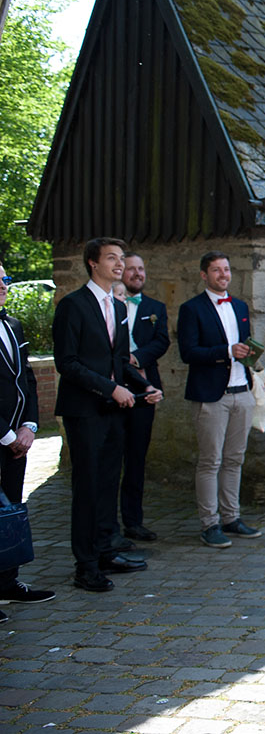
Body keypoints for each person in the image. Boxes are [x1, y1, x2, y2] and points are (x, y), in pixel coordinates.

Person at [54, 238, 159, 590]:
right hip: (84, 410)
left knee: (107, 483)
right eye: (111, 258)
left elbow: (118, 361)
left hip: (114, 409)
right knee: (87, 486)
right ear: (91, 263)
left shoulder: (117, 307)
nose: (119, 264)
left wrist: (142, 386)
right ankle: (85, 565)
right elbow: (67, 363)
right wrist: (109, 388)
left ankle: (104, 550)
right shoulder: (73, 305)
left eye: (121, 258)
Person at [177, 251, 262, 547]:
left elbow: (245, 344)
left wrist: (251, 355)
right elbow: (188, 353)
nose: (223, 275)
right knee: (210, 460)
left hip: (242, 391)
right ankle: (209, 523)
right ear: (204, 275)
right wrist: (227, 351)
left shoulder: (239, 305)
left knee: (235, 459)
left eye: (226, 269)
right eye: (216, 270)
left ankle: (231, 517)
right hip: (211, 395)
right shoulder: (192, 309)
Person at [0, 263, 54, 621]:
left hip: (19, 439)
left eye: (5, 278)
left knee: (11, 511)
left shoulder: (13, 324)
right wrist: (6, 434)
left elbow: (28, 381)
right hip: (3, 436)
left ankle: (7, 582)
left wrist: (30, 426)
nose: (4, 285)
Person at [117, 252, 168, 542]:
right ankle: (106, 523)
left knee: (137, 458)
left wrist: (136, 358)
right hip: (111, 388)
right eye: (131, 269)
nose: (137, 273)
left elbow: (162, 341)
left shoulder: (155, 307)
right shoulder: (110, 305)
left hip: (145, 389)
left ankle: (133, 521)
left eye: (141, 269)